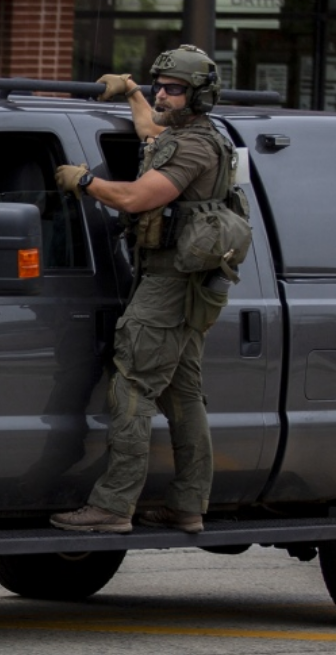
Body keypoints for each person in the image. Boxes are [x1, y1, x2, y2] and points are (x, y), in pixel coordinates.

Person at [50, 45, 235, 534]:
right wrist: (132, 91)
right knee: (183, 394)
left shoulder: (196, 145)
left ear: (199, 97)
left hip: (170, 285)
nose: (162, 96)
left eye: (173, 90)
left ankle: (113, 505)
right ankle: (188, 505)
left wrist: (85, 181)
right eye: (159, 86)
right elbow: (151, 131)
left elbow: (134, 197)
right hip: (182, 285)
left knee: (131, 386)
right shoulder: (188, 134)